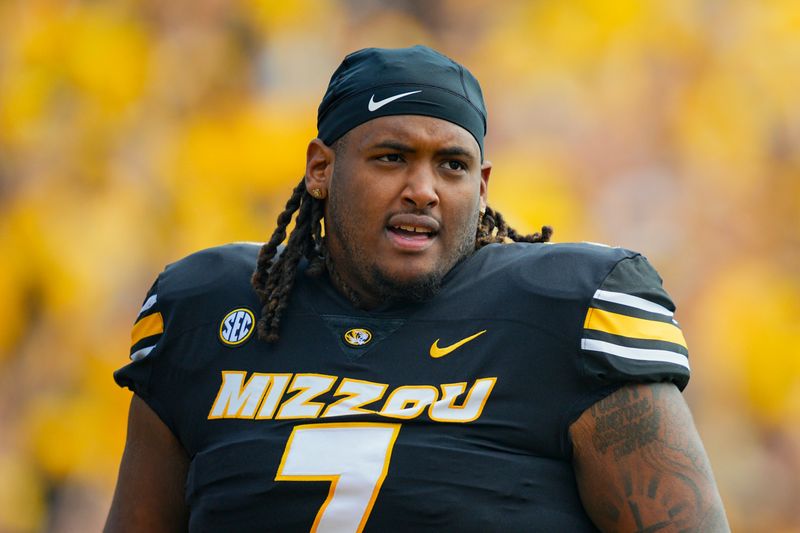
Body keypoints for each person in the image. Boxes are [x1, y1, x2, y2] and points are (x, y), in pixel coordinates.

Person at [105, 45, 729, 532]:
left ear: (483, 186)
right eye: (390, 157)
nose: (423, 189)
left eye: (451, 166)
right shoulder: (208, 311)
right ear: (321, 169)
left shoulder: (563, 314)